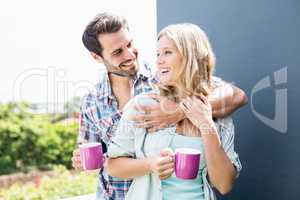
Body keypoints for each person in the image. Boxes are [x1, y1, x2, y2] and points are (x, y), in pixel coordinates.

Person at [71, 13, 247, 200]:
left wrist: (179, 112)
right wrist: (83, 161)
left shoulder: (163, 76)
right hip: (116, 194)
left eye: (129, 44)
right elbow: (100, 156)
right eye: (117, 52)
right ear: (97, 57)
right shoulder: (92, 101)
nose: (130, 54)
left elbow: (235, 95)